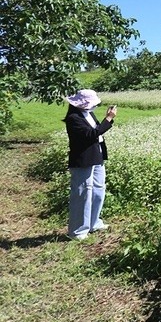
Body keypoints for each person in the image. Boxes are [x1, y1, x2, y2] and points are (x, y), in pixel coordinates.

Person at [64, 89, 117, 240]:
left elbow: (97, 130)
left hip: (96, 155)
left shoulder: (89, 114)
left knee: (98, 190)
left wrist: (107, 120)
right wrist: (108, 118)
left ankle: (94, 223)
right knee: (82, 193)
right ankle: (78, 231)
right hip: (83, 159)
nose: (94, 106)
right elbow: (91, 134)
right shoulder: (74, 118)